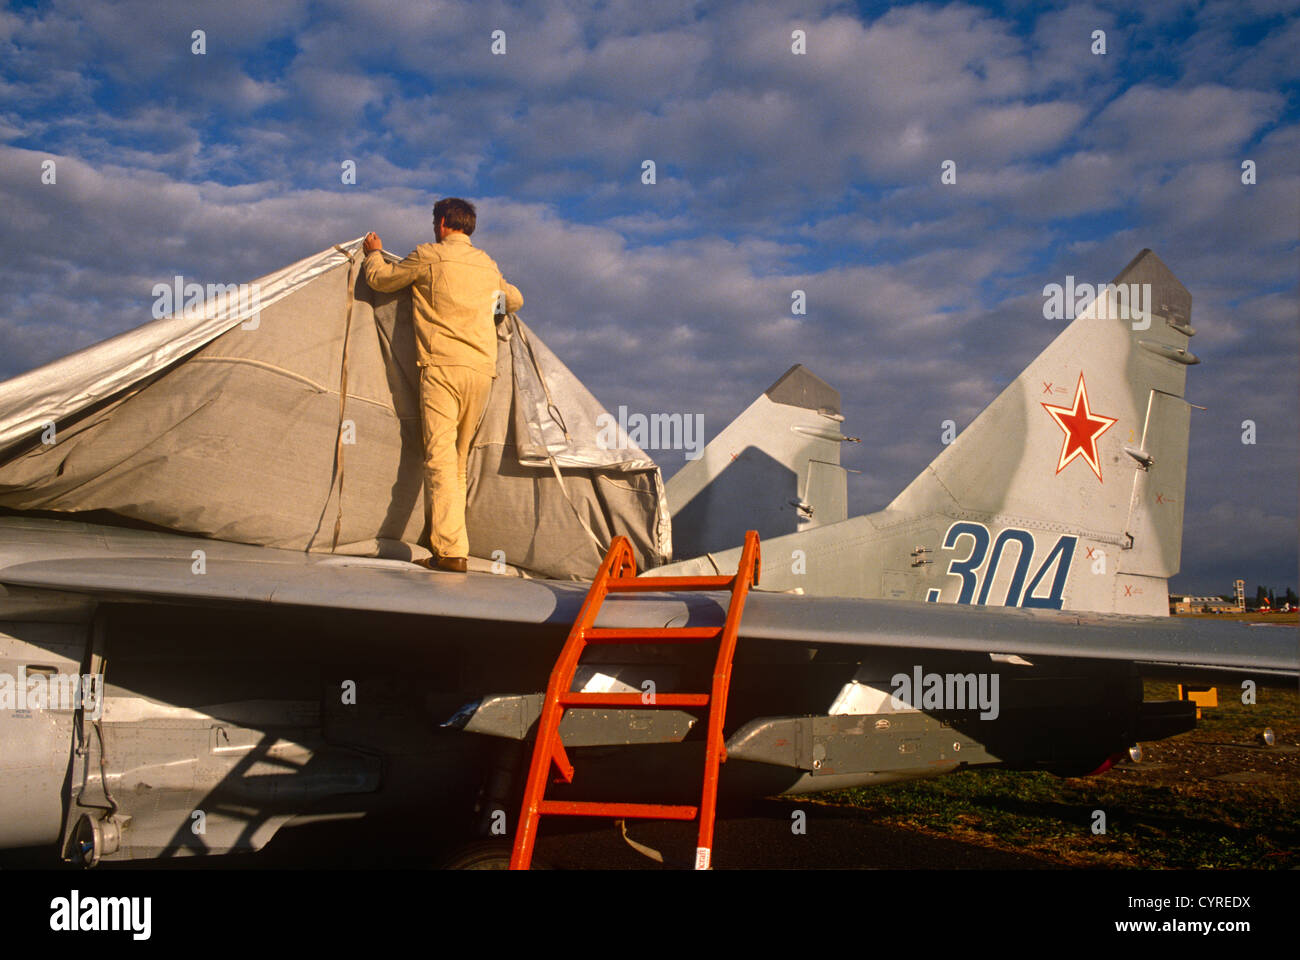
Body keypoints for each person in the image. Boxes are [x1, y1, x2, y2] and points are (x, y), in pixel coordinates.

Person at [363, 198, 523, 572]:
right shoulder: (486, 264)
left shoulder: (428, 256)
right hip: (482, 372)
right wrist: (487, 310)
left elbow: (381, 280)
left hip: (442, 368)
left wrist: (373, 253)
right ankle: (456, 545)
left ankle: (451, 553)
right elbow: (514, 299)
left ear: (442, 223)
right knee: (458, 463)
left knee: (438, 458)